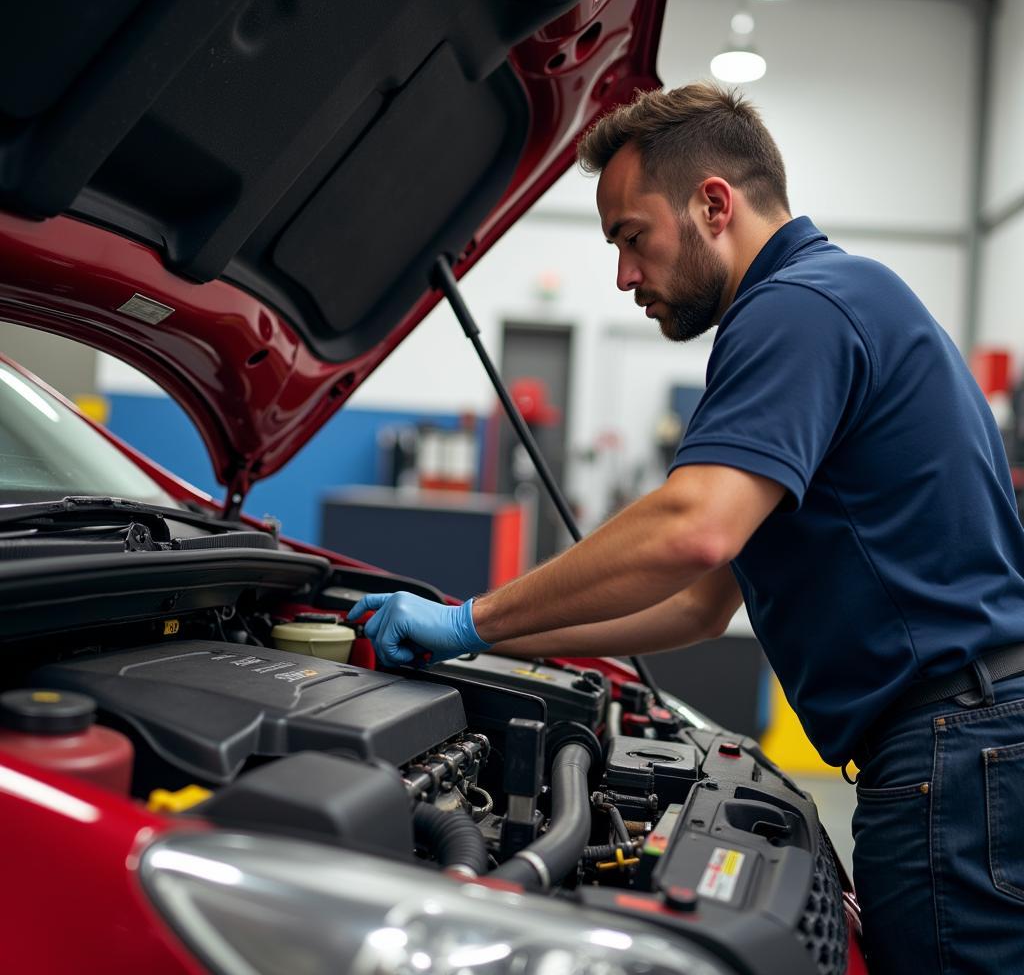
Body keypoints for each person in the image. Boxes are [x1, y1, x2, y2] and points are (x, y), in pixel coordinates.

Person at [348, 82, 1024, 974]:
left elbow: (694, 528)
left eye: (632, 237)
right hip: (965, 746)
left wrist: (471, 620)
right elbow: (700, 605)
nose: (625, 276)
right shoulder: (838, 296)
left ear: (714, 204)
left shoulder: (796, 307)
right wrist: (490, 640)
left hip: (953, 753)